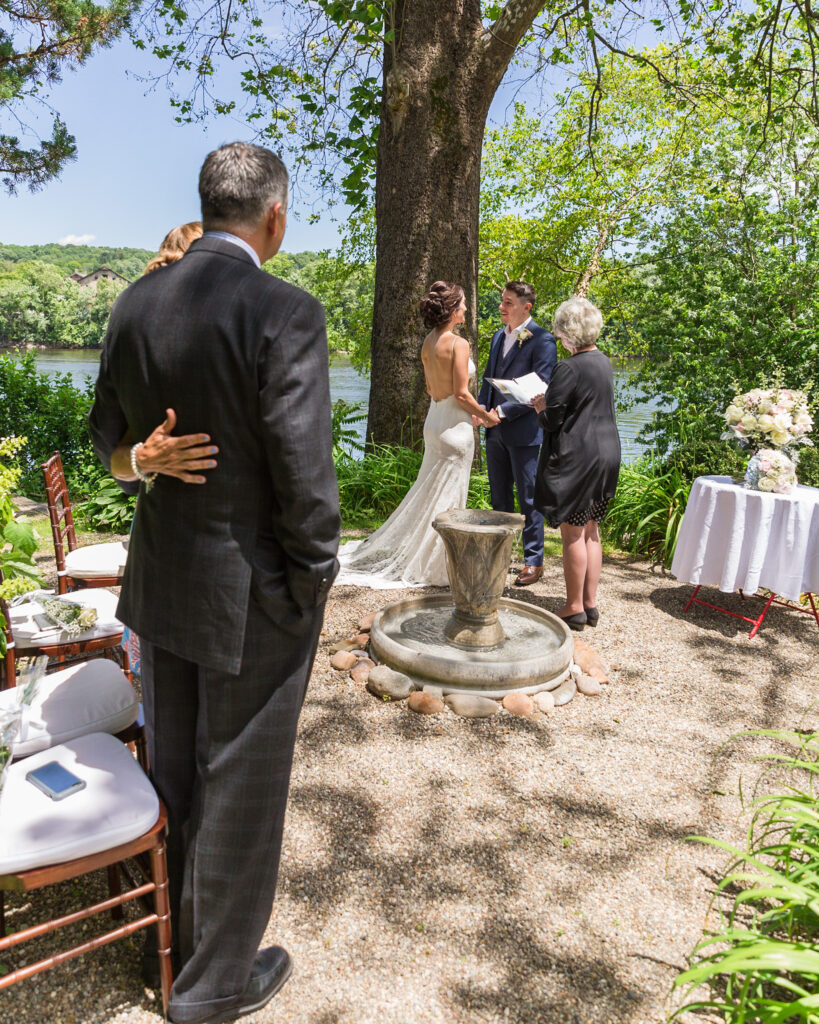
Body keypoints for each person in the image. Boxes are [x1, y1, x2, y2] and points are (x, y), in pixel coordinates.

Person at [89, 142, 341, 1024]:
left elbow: (106, 445)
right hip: (251, 595)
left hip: (160, 583)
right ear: (274, 216)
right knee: (240, 784)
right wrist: (313, 581)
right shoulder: (285, 311)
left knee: (180, 772)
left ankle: (174, 950)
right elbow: (304, 475)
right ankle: (209, 989)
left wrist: (136, 461)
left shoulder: (135, 301)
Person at [336, 281, 493, 588]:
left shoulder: (428, 342)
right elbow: (461, 393)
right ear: (452, 309)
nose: (466, 308)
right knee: (449, 498)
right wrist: (486, 417)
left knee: (429, 493)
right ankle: (438, 567)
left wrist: (466, 410)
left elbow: (432, 389)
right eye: (462, 303)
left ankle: (430, 557)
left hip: (434, 421)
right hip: (454, 429)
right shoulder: (458, 344)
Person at [116, 221, 205, 675]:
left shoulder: (139, 318)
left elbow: (115, 443)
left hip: (151, 508)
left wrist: (137, 460)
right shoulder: (196, 325)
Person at [532, 296, 620, 630]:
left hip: (578, 457)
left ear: (568, 333)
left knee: (572, 533)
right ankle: (590, 604)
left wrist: (540, 406)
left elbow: (552, 422)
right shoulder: (604, 362)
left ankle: (572, 607)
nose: (558, 337)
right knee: (592, 530)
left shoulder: (567, 367)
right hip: (606, 453)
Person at [476, 281, 557, 586]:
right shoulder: (499, 336)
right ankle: (499, 556)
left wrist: (503, 412)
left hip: (524, 432)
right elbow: (490, 380)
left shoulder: (543, 340)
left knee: (529, 497)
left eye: (508, 303)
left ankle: (533, 561)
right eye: (502, 301)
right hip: (494, 431)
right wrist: (482, 409)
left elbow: (541, 387)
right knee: (499, 497)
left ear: (527, 307)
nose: (501, 307)